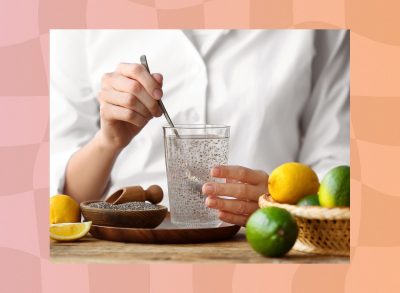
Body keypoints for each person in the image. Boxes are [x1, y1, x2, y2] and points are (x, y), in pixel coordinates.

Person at [50, 30, 349, 226]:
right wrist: (108, 142)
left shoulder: (324, 26)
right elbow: (60, 203)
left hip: (262, 242)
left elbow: (339, 171)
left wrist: (280, 202)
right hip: (123, 247)